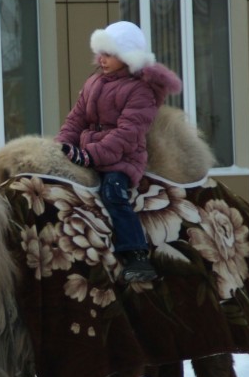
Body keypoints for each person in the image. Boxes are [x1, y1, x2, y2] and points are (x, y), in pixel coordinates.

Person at [56, 21, 182, 283]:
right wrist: (61, 147)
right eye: (100, 52)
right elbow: (76, 119)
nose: (101, 59)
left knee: (113, 193)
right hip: (89, 153)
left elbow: (127, 135)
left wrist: (91, 154)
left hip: (122, 159)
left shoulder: (141, 90)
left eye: (109, 54)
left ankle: (137, 255)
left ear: (128, 56)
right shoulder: (94, 82)